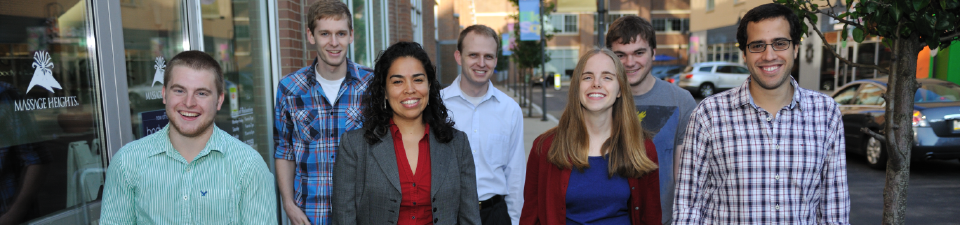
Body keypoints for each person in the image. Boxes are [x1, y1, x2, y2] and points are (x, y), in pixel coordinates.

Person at [672, 3, 849, 224]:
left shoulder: (826, 113)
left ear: (795, 48)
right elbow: (689, 205)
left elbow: (834, 209)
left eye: (780, 43)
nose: (769, 55)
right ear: (744, 54)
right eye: (757, 45)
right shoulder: (708, 114)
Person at [100, 51, 276, 224]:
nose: (189, 102)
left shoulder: (248, 167)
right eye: (179, 90)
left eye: (201, 93)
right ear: (164, 94)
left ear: (220, 100)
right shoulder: (127, 162)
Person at [332, 41, 480, 225]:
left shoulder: (457, 144)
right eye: (397, 81)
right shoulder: (354, 146)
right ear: (384, 91)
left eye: (418, 80)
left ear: (429, 85)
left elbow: (470, 218)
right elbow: (343, 219)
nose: (410, 89)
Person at [521, 48, 661, 225]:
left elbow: (652, 217)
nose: (596, 83)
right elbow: (530, 216)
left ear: (620, 90)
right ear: (576, 88)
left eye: (607, 77)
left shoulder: (643, 148)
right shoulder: (545, 147)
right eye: (587, 77)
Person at [273, 1, 373, 224]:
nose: (334, 43)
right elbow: (284, 151)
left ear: (351, 35)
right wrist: (288, 204)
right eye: (325, 34)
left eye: (341, 33)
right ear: (311, 36)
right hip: (309, 215)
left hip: (361, 215)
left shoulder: (372, 85)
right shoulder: (289, 89)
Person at [606, 15, 698, 224]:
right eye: (620, 54)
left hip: (663, 219)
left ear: (653, 53)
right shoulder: (599, 99)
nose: (630, 63)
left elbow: (685, 175)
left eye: (639, 53)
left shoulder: (680, 100)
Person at [440, 24, 524, 225]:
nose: (481, 63)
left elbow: (516, 174)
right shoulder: (437, 106)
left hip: (494, 215)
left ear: (495, 60)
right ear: (459, 57)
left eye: (488, 56)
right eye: (473, 55)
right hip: (449, 215)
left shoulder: (510, 110)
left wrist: (514, 221)